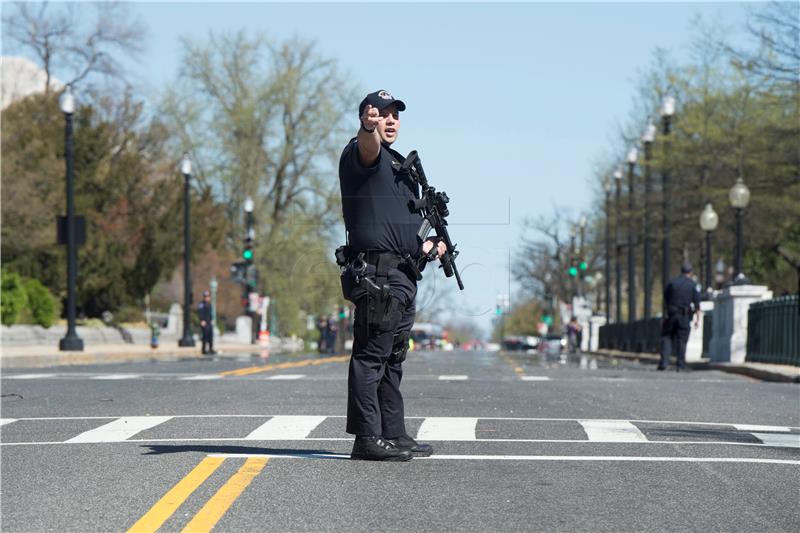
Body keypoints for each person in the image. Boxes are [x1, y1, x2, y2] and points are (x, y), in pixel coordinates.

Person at [338, 89, 447, 461]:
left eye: (394, 115)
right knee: (370, 357)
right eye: (381, 115)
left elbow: (402, 225)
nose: (389, 120)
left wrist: (429, 246)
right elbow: (367, 147)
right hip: (377, 273)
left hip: (402, 273)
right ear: (368, 118)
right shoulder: (362, 154)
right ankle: (367, 438)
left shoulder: (401, 167)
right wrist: (365, 129)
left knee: (393, 357)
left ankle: (392, 433)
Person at [660, 262, 701, 371]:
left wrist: (665, 315)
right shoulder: (692, 285)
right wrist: (698, 320)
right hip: (684, 316)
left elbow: (665, 299)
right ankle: (680, 364)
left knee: (667, 337)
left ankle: (664, 362)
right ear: (690, 272)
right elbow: (697, 304)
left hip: (671, 315)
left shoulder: (672, 283)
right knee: (682, 340)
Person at [198, 291, 215, 355]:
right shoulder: (202, 304)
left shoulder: (209, 304)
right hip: (204, 322)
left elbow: (210, 314)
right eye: (206, 296)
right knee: (205, 336)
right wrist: (202, 320)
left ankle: (211, 349)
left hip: (209, 322)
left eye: (208, 296)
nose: (207, 298)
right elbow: (200, 313)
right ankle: (204, 349)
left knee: (210, 336)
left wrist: (212, 320)